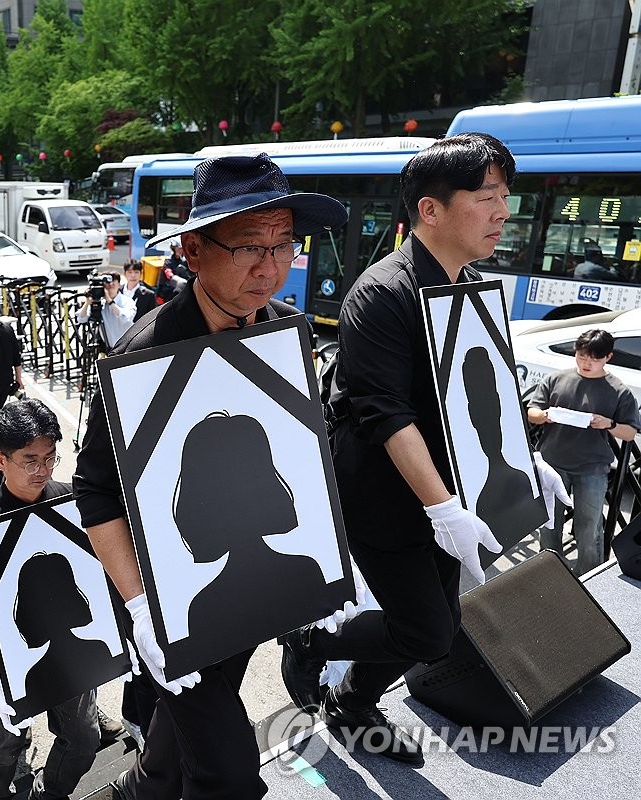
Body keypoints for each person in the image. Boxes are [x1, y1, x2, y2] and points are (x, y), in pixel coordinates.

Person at [279, 134, 569, 767]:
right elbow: (386, 414)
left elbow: (488, 390)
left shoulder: (471, 285)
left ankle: (355, 702)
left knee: (440, 624)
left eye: (505, 197)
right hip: (386, 497)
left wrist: (526, 460)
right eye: (486, 196)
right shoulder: (381, 293)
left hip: (452, 486)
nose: (503, 212)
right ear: (430, 210)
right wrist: (443, 511)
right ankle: (312, 639)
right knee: (429, 630)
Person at [73, 153, 347, 799]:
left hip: (257, 580)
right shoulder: (146, 351)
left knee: (194, 722)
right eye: (250, 246)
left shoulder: (286, 329)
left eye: (284, 245)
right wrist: (143, 608)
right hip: (168, 593)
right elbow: (95, 489)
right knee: (228, 771)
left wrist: (335, 556)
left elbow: (300, 450)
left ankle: (140, 789)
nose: (270, 265)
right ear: (193, 250)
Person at [0, 399, 100, 800]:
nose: (42, 471)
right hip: (5, 658)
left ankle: (50, 792)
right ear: (0, 460)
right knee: (5, 745)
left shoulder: (69, 500)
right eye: (29, 461)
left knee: (83, 738)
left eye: (50, 458)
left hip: (73, 651)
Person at [528, 328, 640, 575]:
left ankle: (588, 578)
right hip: (551, 464)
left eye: (594, 358)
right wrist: (546, 415)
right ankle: (546, 573)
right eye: (581, 356)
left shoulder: (618, 390)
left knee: (589, 528)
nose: (587, 362)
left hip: (592, 468)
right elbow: (532, 412)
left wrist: (608, 424)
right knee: (548, 524)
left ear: (608, 357)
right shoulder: (557, 379)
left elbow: (630, 433)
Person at [76, 273, 136, 350]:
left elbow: (126, 318)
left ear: (119, 284)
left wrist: (110, 301)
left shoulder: (127, 301)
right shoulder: (100, 303)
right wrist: (87, 303)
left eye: (113, 281)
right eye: (107, 283)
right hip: (108, 348)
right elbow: (81, 319)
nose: (110, 284)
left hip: (127, 347)